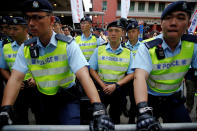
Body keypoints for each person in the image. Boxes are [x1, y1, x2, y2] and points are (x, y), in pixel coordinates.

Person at [0, 0, 114, 130]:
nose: (31, 23)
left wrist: (98, 107)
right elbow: (15, 79)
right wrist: (6, 108)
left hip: (68, 99)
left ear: (51, 20)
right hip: (43, 99)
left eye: (38, 17)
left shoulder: (68, 45)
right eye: (29, 18)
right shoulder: (25, 48)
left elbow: (83, 76)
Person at [132, 1, 197, 130]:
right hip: (149, 99)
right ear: (161, 24)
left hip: (174, 99)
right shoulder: (147, 46)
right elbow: (139, 77)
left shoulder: (193, 45)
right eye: (168, 18)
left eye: (180, 18)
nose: (173, 23)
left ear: (188, 24)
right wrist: (143, 111)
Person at [89, 20, 134, 124]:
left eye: (117, 31)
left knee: (115, 117)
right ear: (107, 33)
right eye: (110, 30)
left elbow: (132, 73)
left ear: (122, 33)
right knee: (99, 117)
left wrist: (116, 85)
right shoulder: (99, 50)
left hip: (118, 89)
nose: (113, 33)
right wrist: (102, 85)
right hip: (101, 88)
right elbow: (92, 69)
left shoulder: (128, 52)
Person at [0, 17, 40, 124]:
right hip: (17, 89)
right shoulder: (5, 47)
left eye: (15, 29)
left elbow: (44, 66)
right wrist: (11, 80)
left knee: (41, 116)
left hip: (35, 87)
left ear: (25, 30)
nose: (11, 32)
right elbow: (3, 68)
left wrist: (36, 79)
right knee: (20, 118)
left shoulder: (37, 44)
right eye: (10, 29)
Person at [123, 19, 142, 124]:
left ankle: (131, 118)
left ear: (138, 32)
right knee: (123, 98)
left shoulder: (144, 46)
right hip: (126, 77)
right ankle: (125, 109)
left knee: (135, 100)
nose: (131, 34)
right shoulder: (123, 46)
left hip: (139, 78)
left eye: (133, 31)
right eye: (129, 32)